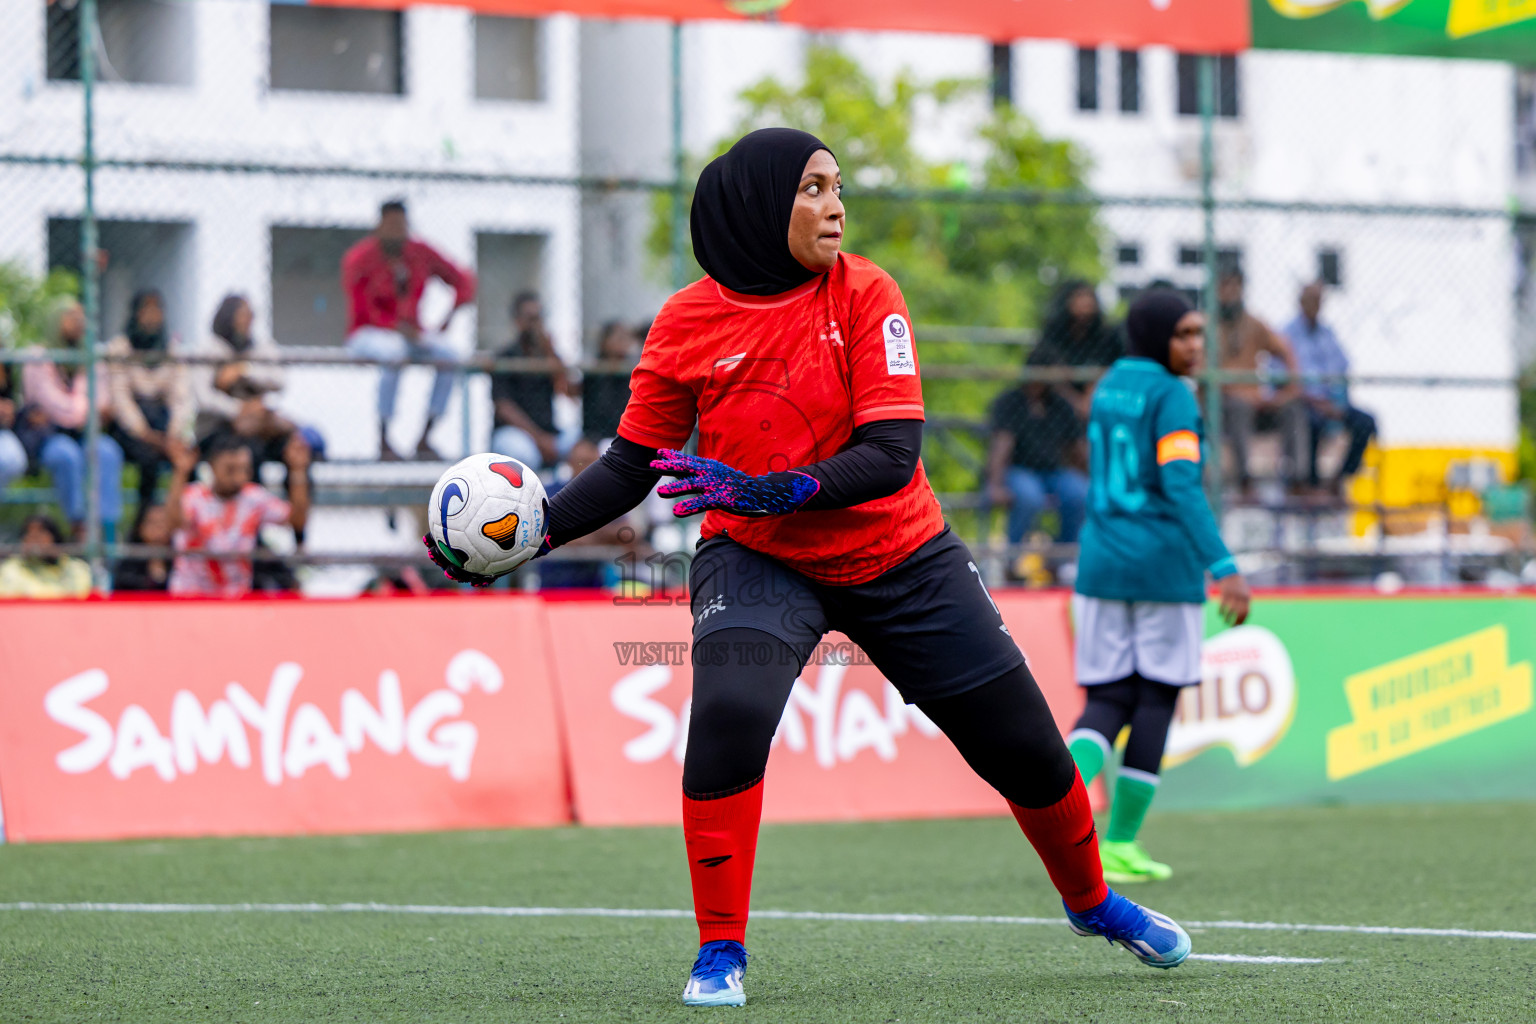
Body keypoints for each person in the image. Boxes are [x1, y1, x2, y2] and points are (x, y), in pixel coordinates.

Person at [426, 128, 1192, 1006]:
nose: (835, 206)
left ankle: (1092, 903)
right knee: (728, 713)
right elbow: (630, 468)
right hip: (758, 562)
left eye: (838, 187)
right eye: (813, 188)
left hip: (902, 553)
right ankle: (720, 952)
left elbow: (895, 453)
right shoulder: (684, 323)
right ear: (758, 205)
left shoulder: (868, 292)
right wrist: (528, 538)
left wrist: (769, 486)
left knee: (1024, 747)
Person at [1069, 290, 1251, 884]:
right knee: (1156, 698)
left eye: (1198, 334)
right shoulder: (1172, 395)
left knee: (1107, 700)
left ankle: (1052, 815)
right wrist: (1222, 564)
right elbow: (1181, 485)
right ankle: (1119, 842)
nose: (1196, 345)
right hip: (1162, 571)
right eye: (1184, 334)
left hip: (1100, 567)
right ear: (1156, 337)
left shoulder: (1110, 384)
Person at [343, 200, 476, 461]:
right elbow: (362, 310)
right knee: (393, 351)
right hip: (368, 333)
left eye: (400, 225)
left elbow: (463, 280)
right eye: (390, 225)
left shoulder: (419, 252)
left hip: (410, 333)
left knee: (450, 355)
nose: (396, 232)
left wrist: (446, 319)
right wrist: (397, 329)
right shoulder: (359, 258)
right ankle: (383, 437)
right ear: (379, 225)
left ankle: (426, 436)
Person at [193, 295, 315, 544]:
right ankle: (253, 538)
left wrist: (244, 370)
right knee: (248, 454)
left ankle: (299, 536)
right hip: (219, 427)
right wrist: (239, 410)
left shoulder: (259, 346)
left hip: (257, 424)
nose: (248, 321)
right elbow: (203, 396)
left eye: (251, 316)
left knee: (298, 449)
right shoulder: (209, 347)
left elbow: (279, 379)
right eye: (242, 315)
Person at [16, 298, 125, 541]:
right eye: (71, 316)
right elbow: (51, 403)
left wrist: (78, 412)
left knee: (106, 452)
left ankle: (106, 532)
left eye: (81, 317)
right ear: (56, 319)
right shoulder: (37, 358)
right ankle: (80, 529)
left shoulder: (90, 355)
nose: (79, 323)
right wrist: (86, 411)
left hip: (87, 434)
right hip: (51, 435)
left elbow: (103, 397)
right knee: (65, 456)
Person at [164, 434, 310, 598]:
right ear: (212, 467)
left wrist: (298, 471)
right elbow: (172, 525)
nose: (239, 478)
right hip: (190, 596)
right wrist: (180, 473)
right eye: (230, 470)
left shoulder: (254, 497)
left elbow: (297, 521)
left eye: (245, 469)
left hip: (235, 600)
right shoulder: (193, 496)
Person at [1216, 268, 1306, 495]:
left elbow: (1284, 349)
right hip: (1223, 406)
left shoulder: (1253, 323)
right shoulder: (1206, 325)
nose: (1230, 293)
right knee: (1238, 407)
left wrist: (1291, 387)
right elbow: (1206, 373)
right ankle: (1245, 481)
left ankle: (1297, 480)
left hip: (1256, 402)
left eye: (1235, 287)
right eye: (1225, 287)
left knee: (1293, 409)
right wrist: (1243, 393)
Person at [1282, 283, 1377, 497]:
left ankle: (1340, 478)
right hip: (1305, 402)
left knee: (1366, 422)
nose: (1315, 305)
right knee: (1309, 422)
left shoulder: (1328, 334)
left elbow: (1342, 368)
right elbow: (1284, 377)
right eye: (1311, 300)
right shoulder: (1287, 334)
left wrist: (1336, 402)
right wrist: (1316, 401)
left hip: (1332, 402)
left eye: (1319, 301)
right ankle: (1311, 485)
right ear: (1300, 302)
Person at [106, 290, 195, 507]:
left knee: (188, 458)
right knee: (149, 460)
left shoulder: (171, 348)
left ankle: (187, 523)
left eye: (158, 310)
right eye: (147, 310)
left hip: (164, 426)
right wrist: (146, 434)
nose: (153, 316)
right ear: (136, 314)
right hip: (132, 428)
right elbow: (120, 397)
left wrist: (173, 436)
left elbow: (180, 396)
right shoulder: (120, 347)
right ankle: (145, 524)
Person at [986, 381, 1088, 547]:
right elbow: (1001, 446)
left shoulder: (1059, 403)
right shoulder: (1012, 401)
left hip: (1054, 472)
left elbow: (1078, 447)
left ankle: (1065, 559)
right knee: (1030, 497)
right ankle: (1013, 557)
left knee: (1080, 493)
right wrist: (994, 484)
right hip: (1019, 470)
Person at [489, 292, 575, 469]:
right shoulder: (505, 357)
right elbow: (504, 408)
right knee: (523, 454)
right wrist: (539, 439)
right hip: (514, 433)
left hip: (549, 432)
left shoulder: (547, 354)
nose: (535, 324)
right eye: (530, 318)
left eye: (539, 317)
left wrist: (551, 351)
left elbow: (567, 392)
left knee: (584, 448)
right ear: (518, 321)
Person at [1028, 280, 1123, 419]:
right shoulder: (1053, 336)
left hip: (1099, 395)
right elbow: (1050, 370)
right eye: (1079, 296)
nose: (1085, 303)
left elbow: (1108, 364)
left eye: (1088, 296)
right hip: (1060, 399)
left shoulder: (1106, 336)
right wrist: (1077, 402)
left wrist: (1089, 397)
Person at [0, 514, 92, 598]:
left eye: (41, 532)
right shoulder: (11, 569)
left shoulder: (75, 568)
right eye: (29, 533)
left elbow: (80, 594)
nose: (34, 538)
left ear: (55, 538)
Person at [581, 320, 641, 444]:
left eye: (626, 337)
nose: (624, 342)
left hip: (626, 434)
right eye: (619, 337)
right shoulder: (595, 369)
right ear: (605, 342)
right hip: (595, 435)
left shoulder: (633, 368)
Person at [111, 502, 173, 593]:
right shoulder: (128, 566)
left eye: (163, 523)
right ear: (140, 527)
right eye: (152, 523)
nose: (158, 529)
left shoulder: (178, 562)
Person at [0, 359, 27, 491]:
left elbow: (12, 403)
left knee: (13, 461)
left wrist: (9, 410)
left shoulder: (6, 360)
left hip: (3, 431)